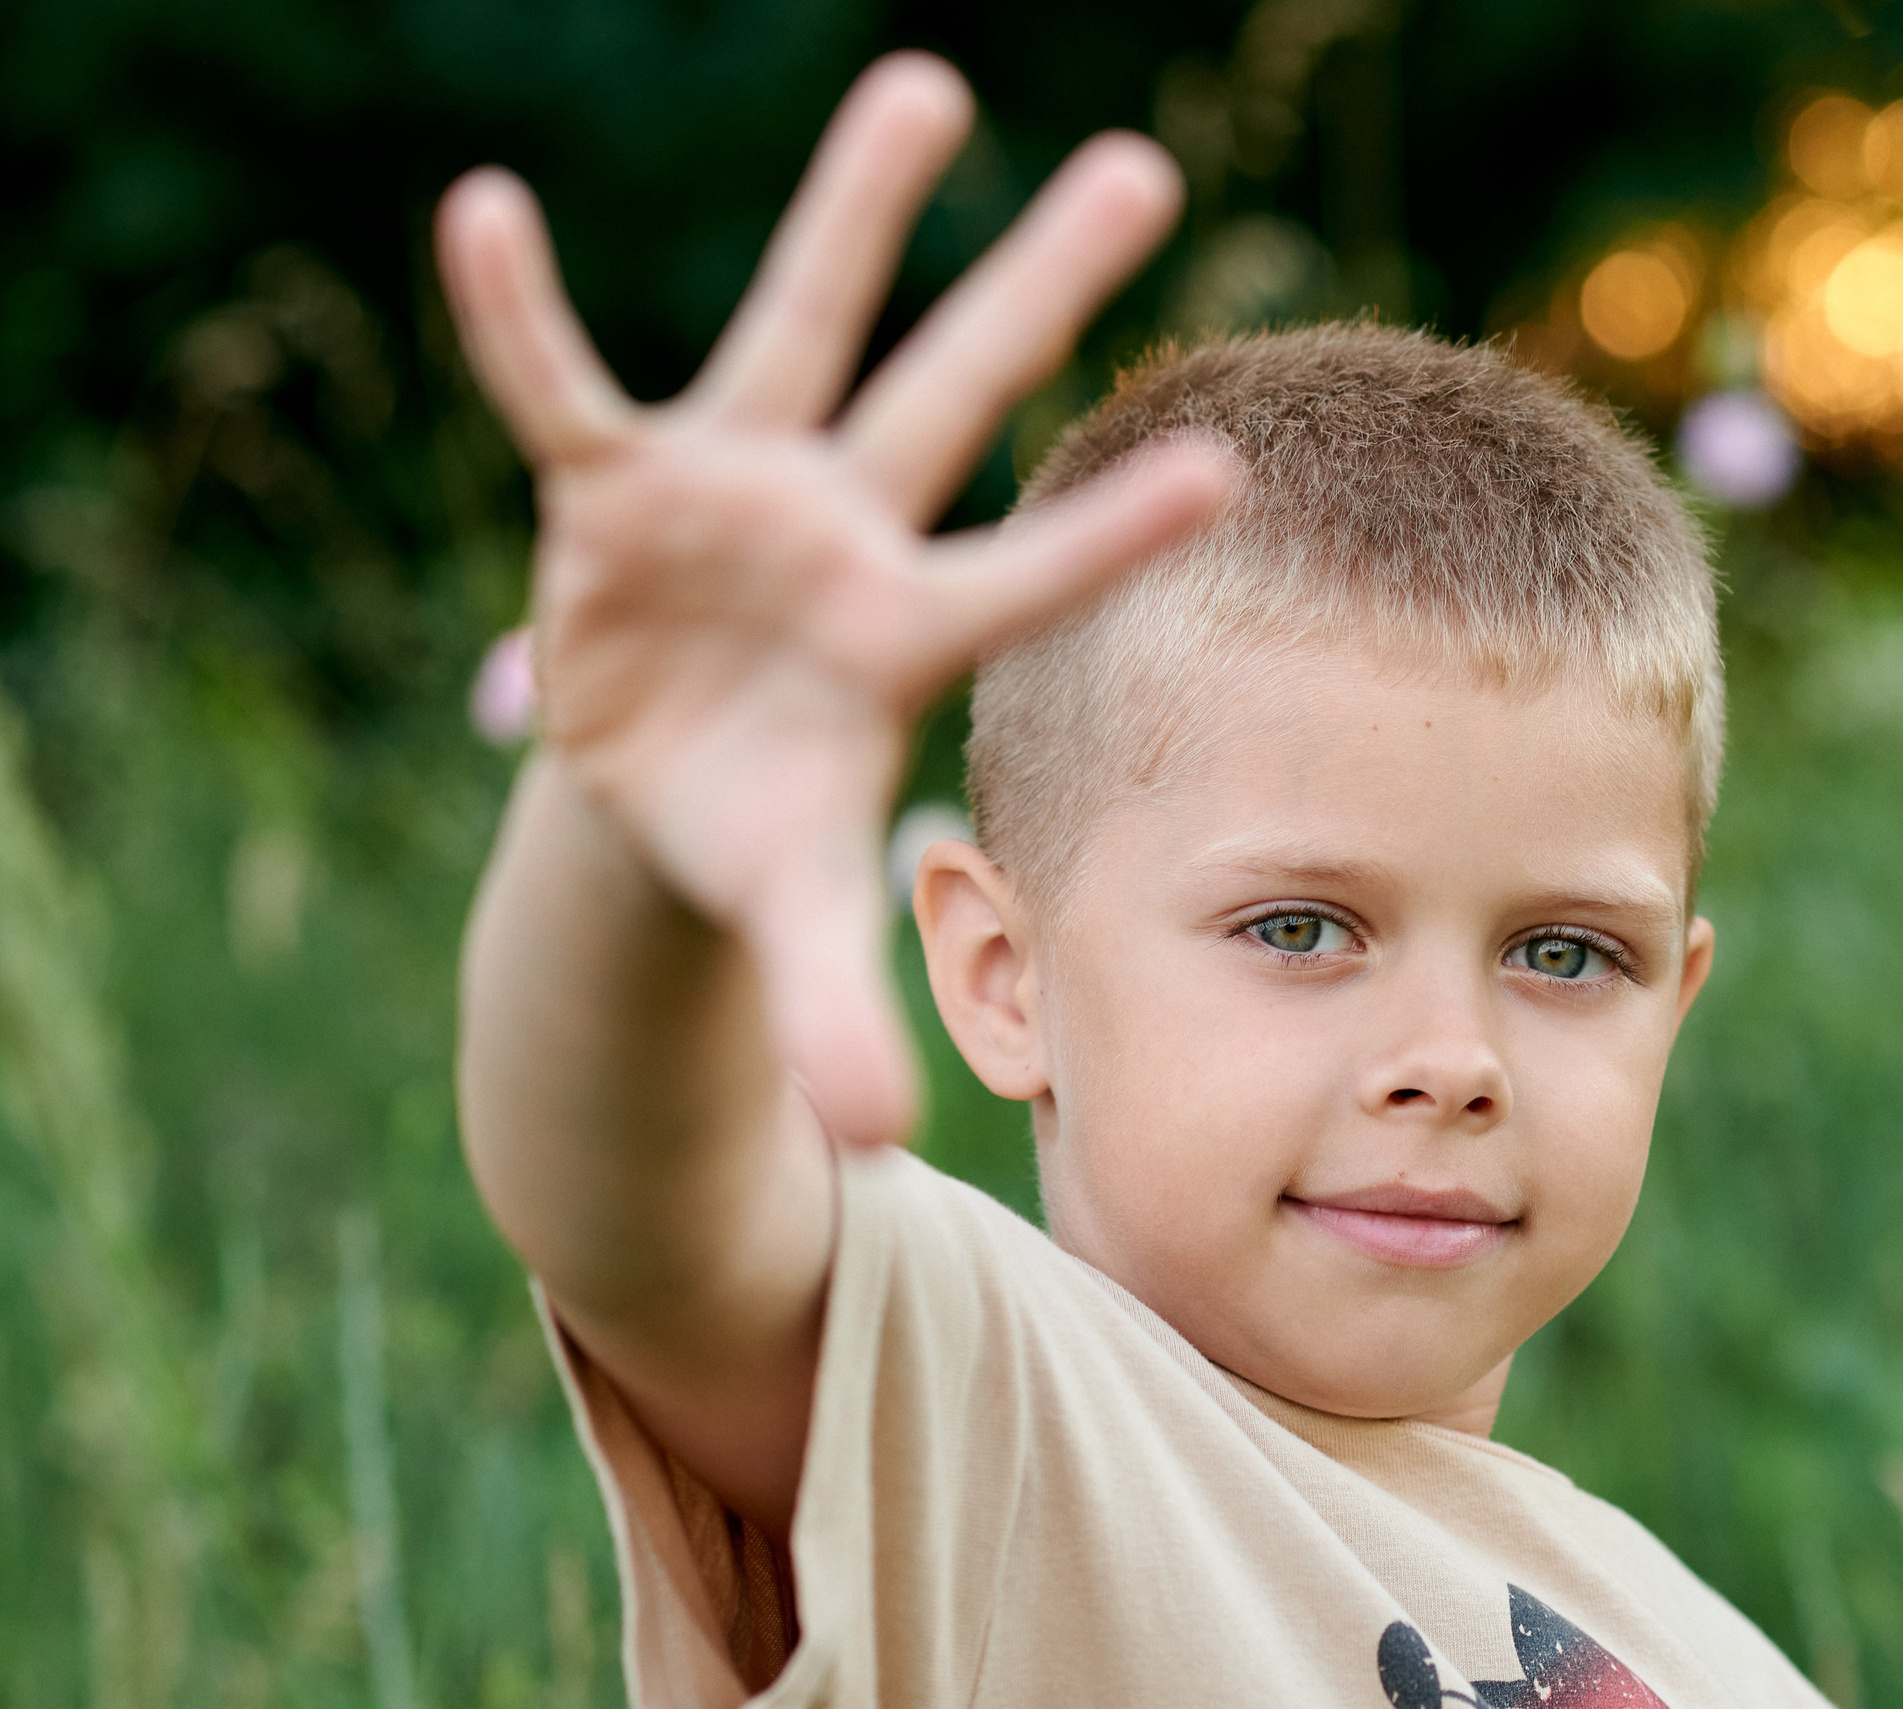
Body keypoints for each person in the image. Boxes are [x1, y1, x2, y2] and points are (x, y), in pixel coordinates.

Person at [443, 47, 1829, 1709]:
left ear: (1674, 1001)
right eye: (1301, 927)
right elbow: (638, 1210)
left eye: (1564, 953)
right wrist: (627, 836)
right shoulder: (1001, 1433)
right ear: (1001, 974)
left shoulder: (1715, 1651)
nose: (1451, 1061)